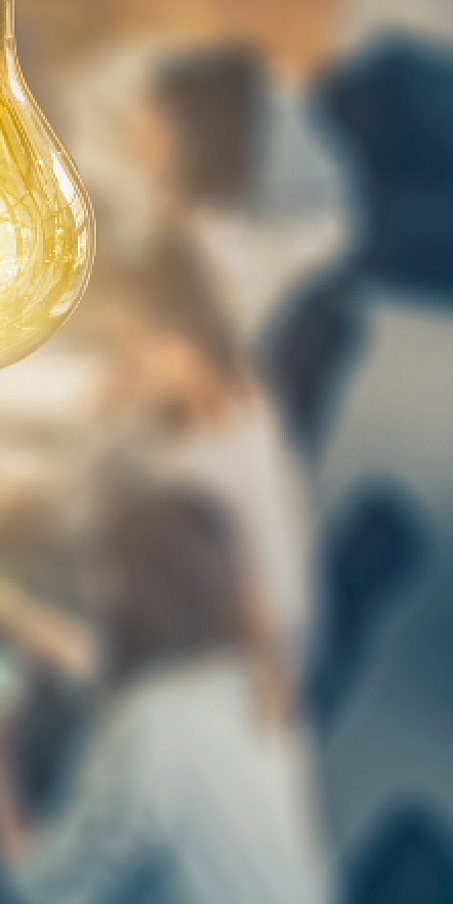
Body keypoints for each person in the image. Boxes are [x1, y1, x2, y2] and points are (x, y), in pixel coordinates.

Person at [0, 489, 334, 904]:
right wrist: (13, 612)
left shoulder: (151, 732)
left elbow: (31, 894)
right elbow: (103, 666)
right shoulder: (255, 678)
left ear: (124, 595)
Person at [92, 236, 318, 661]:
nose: (121, 365)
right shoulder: (243, 394)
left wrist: (104, 425)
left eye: (134, 347)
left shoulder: (198, 475)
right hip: (254, 635)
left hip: (239, 658)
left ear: (186, 345)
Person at [131, 45, 350, 348]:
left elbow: (221, 346)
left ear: (194, 133)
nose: (134, 135)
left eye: (154, 121)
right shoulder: (193, 217)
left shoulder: (232, 240)